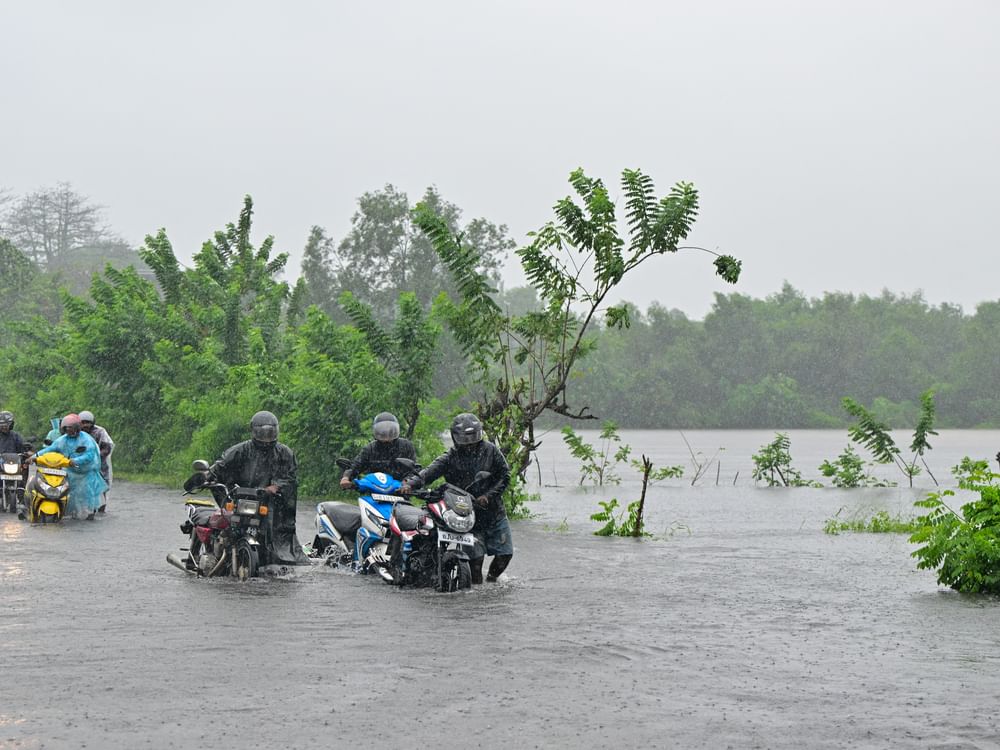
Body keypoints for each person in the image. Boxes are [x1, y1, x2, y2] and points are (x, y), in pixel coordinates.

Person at [404, 413, 512, 584]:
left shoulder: (491, 451)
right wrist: (410, 484)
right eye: (465, 438)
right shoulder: (450, 456)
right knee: (475, 562)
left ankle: (492, 581)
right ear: (455, 437)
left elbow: (505, 476)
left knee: (505, 554)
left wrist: (488, 496)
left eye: (473, 437)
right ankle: (474, 592)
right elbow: (429, 472)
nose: (469, 443)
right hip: (465, 513)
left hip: (494, 511)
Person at [202, 411, 309, 566]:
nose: (266, 437)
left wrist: (276, 486)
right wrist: (207, 477)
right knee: (229, 523)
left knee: (279, 533)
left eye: (270, 432)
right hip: (241, 498)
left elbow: (290, 478)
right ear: (254, 431)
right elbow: (220, 467)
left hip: (270, 503)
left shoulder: (284, 453)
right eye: (262, 432)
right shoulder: (240, 450)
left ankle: (270, 556)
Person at [33, 413, 107, 520]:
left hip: (86, 474)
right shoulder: (63, 439)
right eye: (66, 428)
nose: (69, 430)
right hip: (70, 472)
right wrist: (34, 456)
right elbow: (50, 449)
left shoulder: (86, 440)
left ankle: (90, 514)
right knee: (68, 492)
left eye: (71, 428)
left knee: (87, 496)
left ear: (77, 428)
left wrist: (75, 461)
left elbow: (89, 455)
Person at [339, 412, 417, 489]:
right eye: (383, 429)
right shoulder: (370, 449)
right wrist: (346, 477)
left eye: (389, 429)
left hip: (400, 492)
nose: (386, 432)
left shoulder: (406, 446)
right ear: (376, 431)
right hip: (375, 492)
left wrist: (407, 483)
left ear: (395, 429)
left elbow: (413, 470)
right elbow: (356, 465)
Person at [79, 410, 114, 512]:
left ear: (92, 422)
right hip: (82, 464)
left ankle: (101, 508)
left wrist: (96, 456)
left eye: (88, 422)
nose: (85, 425)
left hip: (99, 464)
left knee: (102, 486)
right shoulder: (77, 433)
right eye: (83, 422)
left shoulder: (99, 431)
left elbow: (107, 447)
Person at [0, 411, 30, 485]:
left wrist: (27, 450)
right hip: (1, 463)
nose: (4, 427)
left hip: (13, 464)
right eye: (2, 425)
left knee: (25, 466)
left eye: (6, 425)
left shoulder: (16, 436)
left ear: (11, 425)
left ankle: (22, 488)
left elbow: (22, 447)